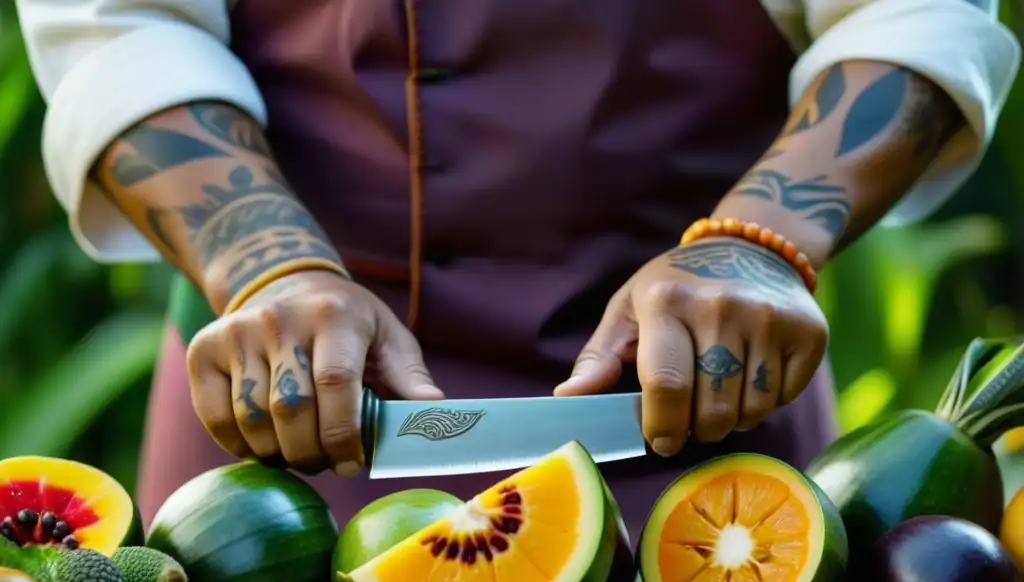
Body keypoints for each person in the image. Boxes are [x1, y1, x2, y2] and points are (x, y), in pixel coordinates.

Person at [15, 0, 1020, 542]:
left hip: (708, 439)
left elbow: (907, 13)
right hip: (279, 442)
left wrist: (753, 243)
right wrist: (269, 269)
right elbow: (124, 26)